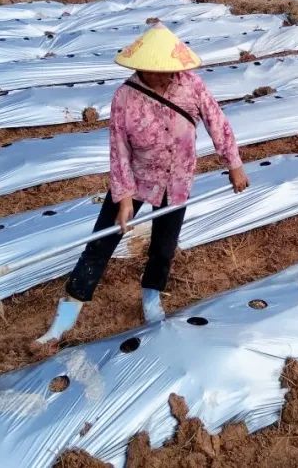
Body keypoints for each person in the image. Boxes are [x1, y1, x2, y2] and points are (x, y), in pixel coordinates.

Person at [38, 23, 250, 343]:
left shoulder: (190, 86)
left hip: (176, 180)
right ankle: (65, 318)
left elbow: (216, 122)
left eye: (170, 70)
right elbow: (119, 149)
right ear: (142, 67)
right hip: (135, 179)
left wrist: (233, 163)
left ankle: (151, 295)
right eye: (158, 71)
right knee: (100, 245)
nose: (166, 76)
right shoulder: (124, 97)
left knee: (163, 248)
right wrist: (124, 199)